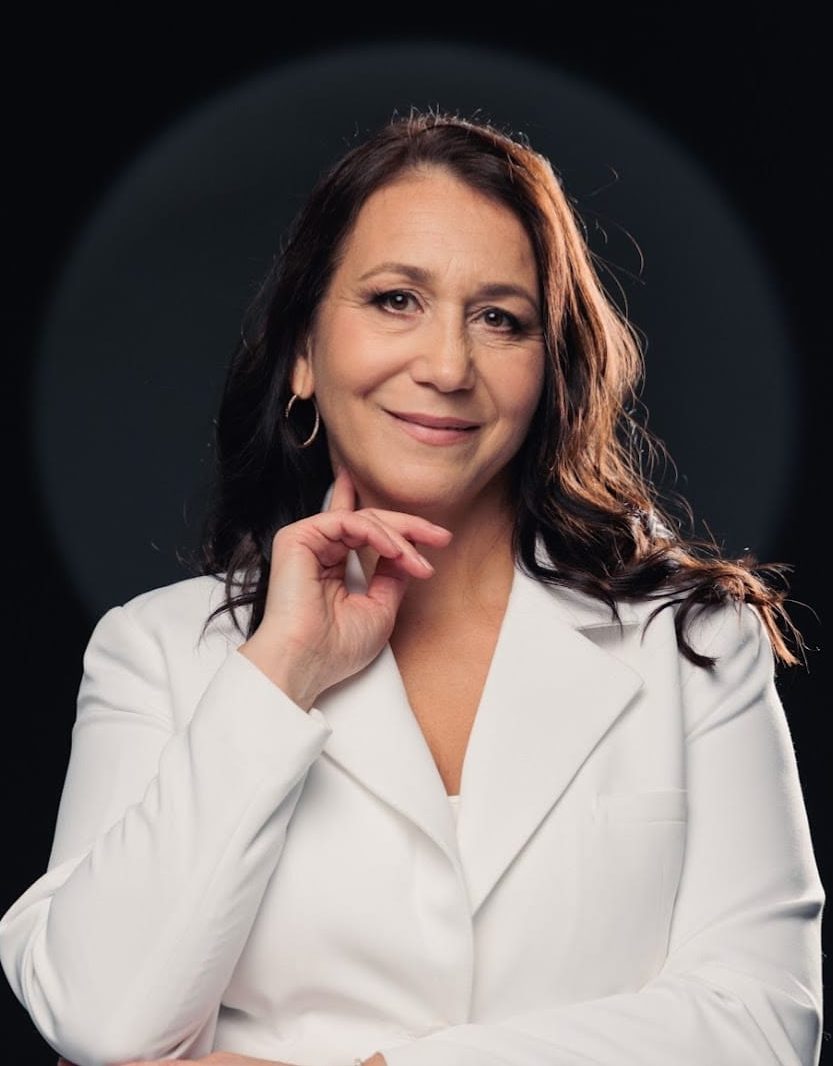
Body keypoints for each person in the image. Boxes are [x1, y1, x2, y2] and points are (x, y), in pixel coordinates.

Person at [0, 108, 824, 1066]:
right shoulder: (156, 652)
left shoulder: (691, 640)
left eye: (499, 319)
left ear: (549, 371)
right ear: (302, 353)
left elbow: (763, 1023)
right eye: (395, 300)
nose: (446, 366)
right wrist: (279, 672)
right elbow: (99, 1017)